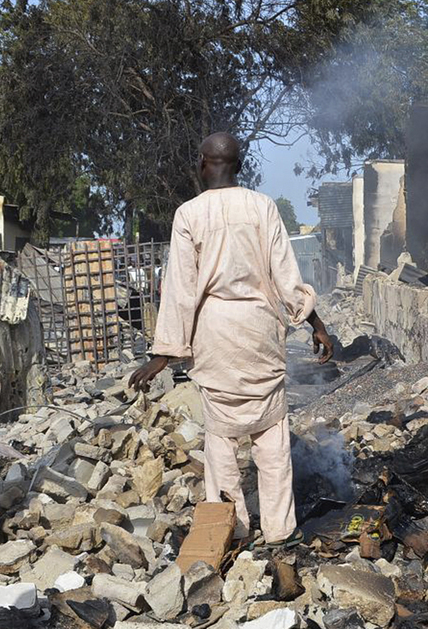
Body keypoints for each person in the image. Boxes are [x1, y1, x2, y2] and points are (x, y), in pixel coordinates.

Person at [129, 132, 333, 549]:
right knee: (272, 434)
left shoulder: (188, 214)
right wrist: (316, 323)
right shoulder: (263, 207)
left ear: (203, 164)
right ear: (238, 166)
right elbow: (286, 276)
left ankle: (233, 526)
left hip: (215, 332)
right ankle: (278, 530)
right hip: (259, 329)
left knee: (221, 439)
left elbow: (182, 289)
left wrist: (163, 355)